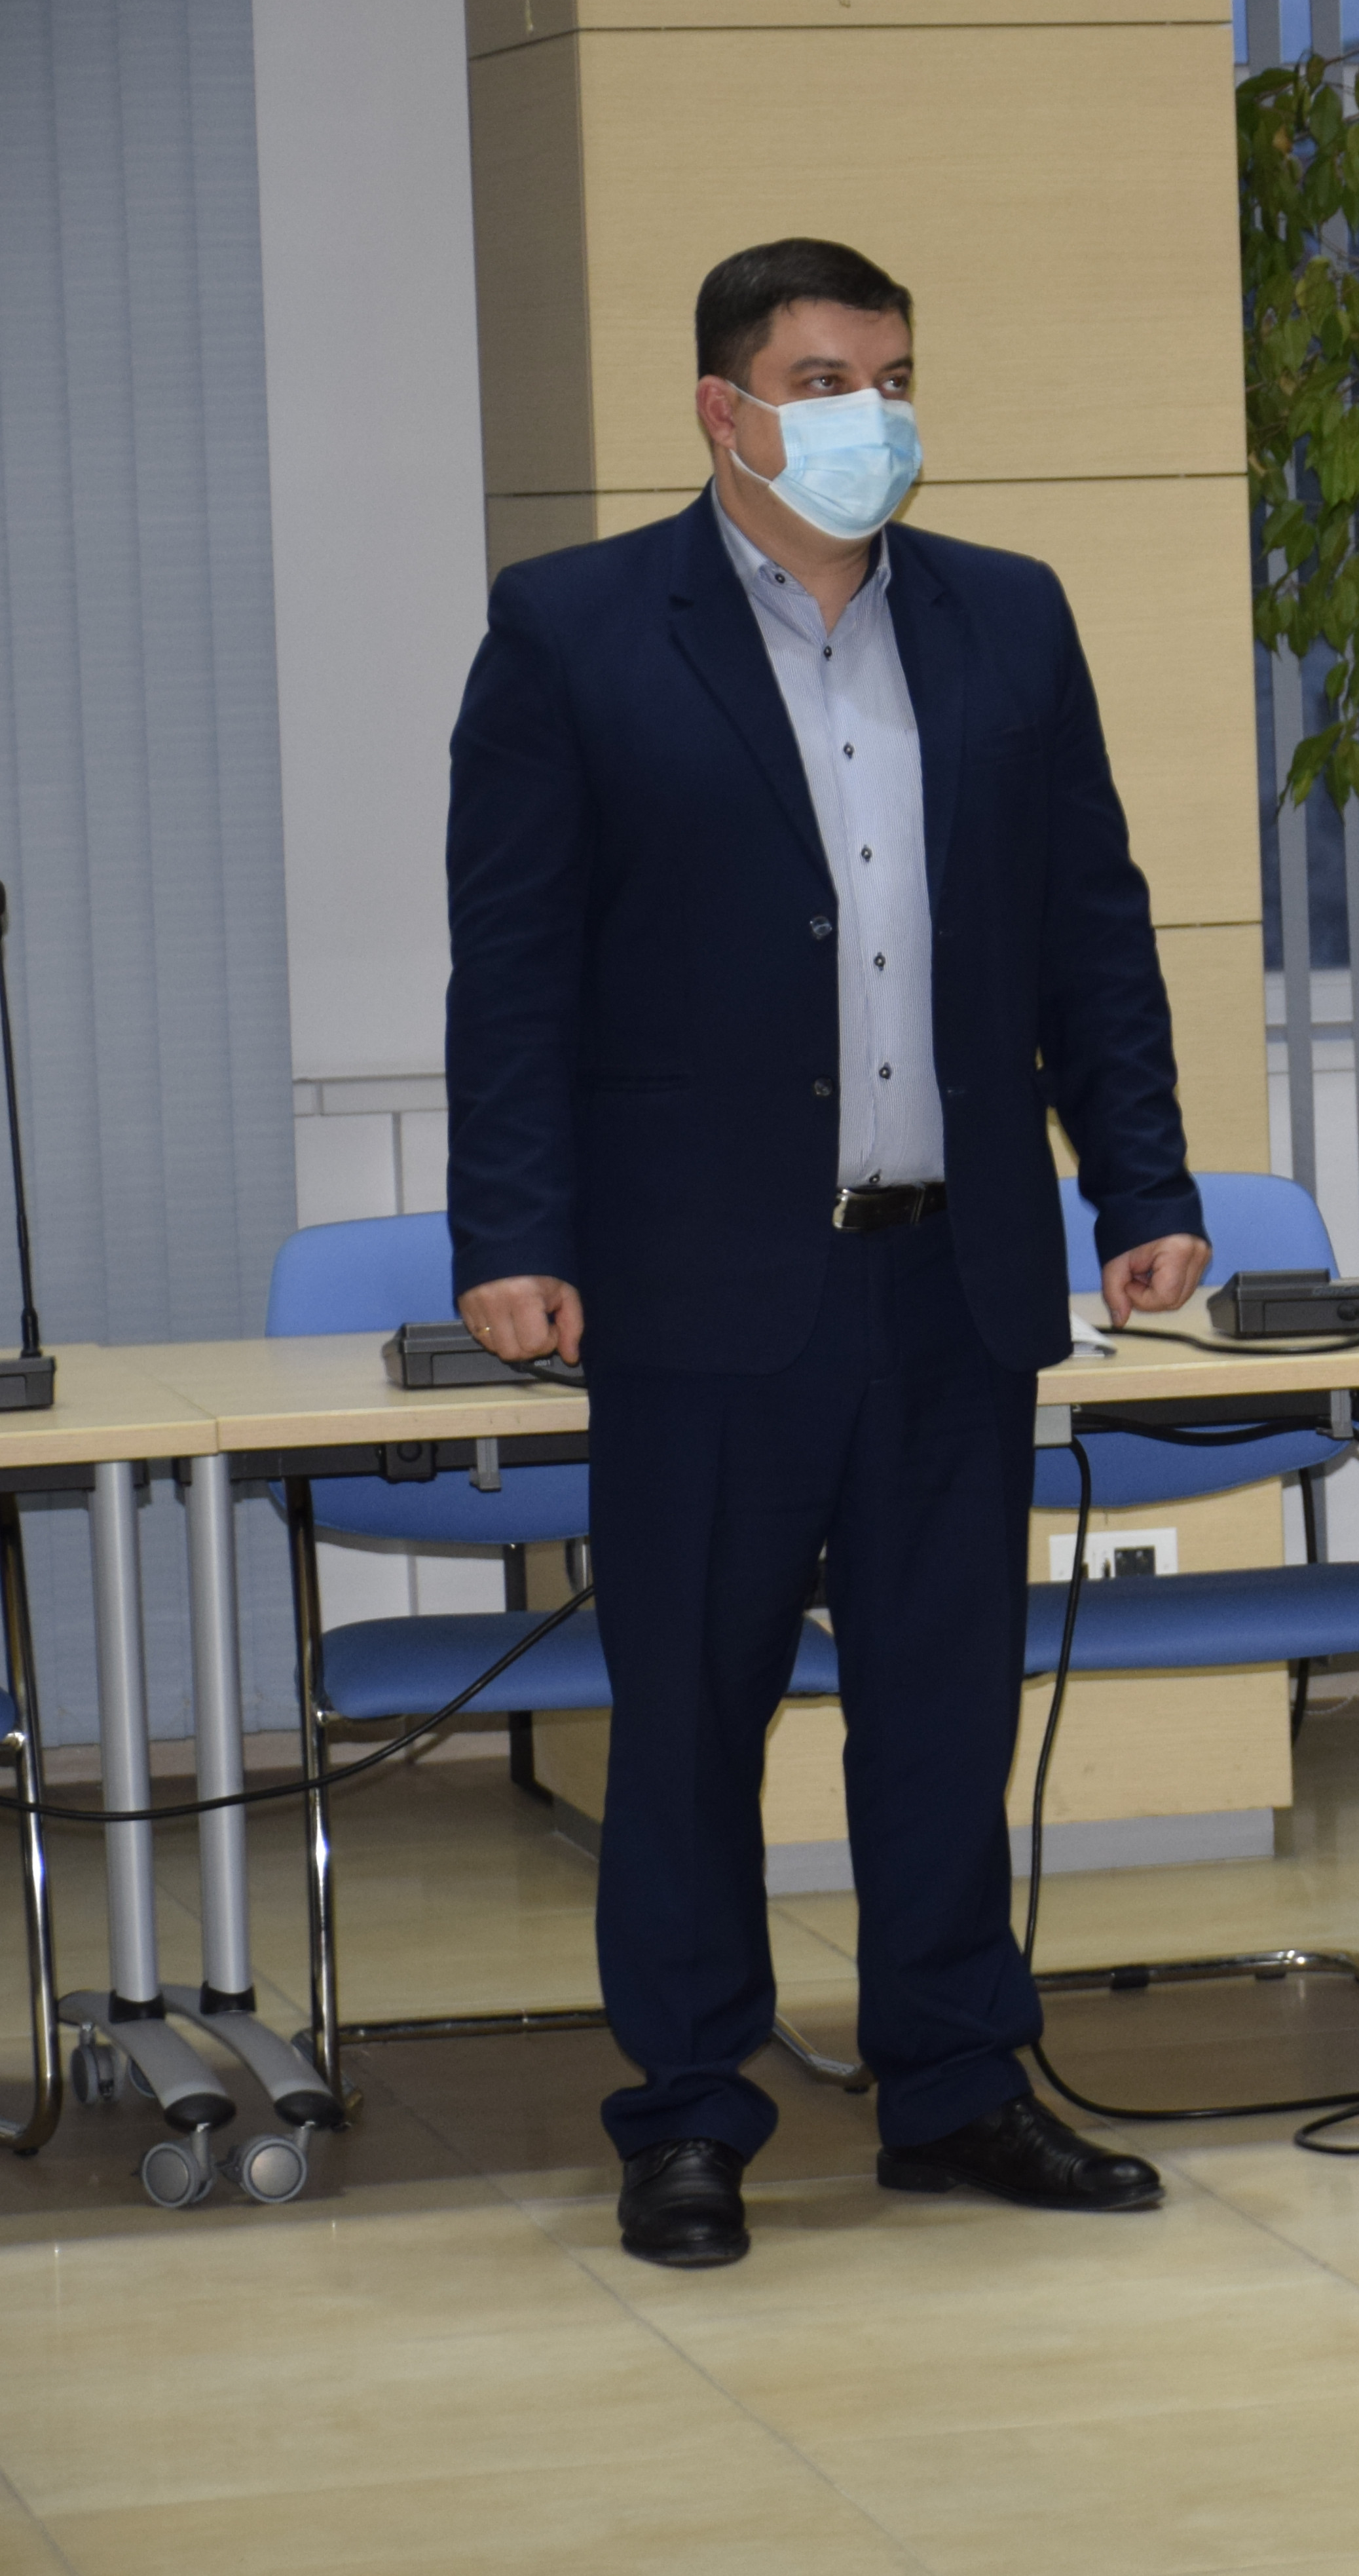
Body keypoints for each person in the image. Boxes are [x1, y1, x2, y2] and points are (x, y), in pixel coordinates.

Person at [445, 238, 1216, 2267]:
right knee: (690, 1721)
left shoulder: (1006, 619)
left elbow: (1092, 924)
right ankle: (689, 2113)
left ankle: (956, 2087)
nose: (871, 412)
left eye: (891, 373)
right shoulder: (576, 630)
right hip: (702, 1288)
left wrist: (1142, 1185)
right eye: (822, 379)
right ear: (726, 410)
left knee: (947, 1715)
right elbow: (513, 966)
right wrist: (509, 1230)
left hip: (952, 1276)